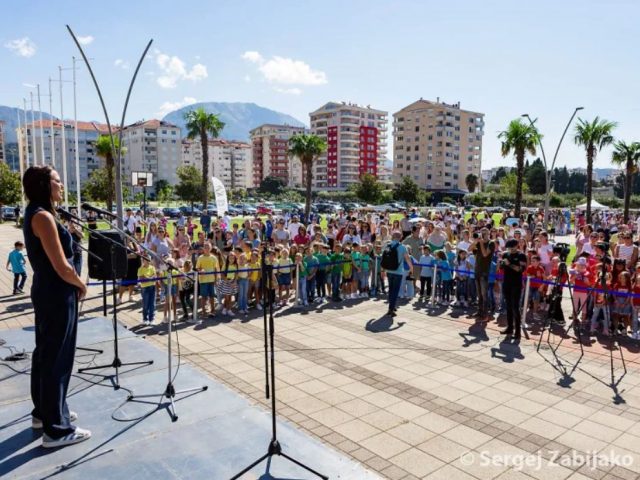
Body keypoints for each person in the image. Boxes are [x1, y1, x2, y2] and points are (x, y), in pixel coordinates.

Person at [22, 165, 90, 448]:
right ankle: (57, 429)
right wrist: (81, 284)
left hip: (49, 292)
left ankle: (46, 413)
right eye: (57, 180)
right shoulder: (43, 217)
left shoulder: (41, 214)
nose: (62, 185)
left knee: (46, 354)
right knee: (57, 359)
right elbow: (61, 265)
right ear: (43, 184)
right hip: (57, 293)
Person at [500, 239, 527, 340]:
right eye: (509, 248)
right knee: (508, 306)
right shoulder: (505, 254)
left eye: (512, 247)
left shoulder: (521, 255)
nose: (510, 249)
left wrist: (509, 264)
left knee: (515, 307)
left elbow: (520, 269)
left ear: (517, 246)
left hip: (516, 284)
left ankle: (518, 332)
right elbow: (502, 267)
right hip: (506, 283)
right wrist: (502, 264)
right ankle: (510, 328)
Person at [383, 231, 413, 317]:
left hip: (389, 271)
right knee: (395, 291)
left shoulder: (387, 245)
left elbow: (384, 258)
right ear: (401, 237)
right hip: (398, 271)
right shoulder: (403, 247)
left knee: (391, 289)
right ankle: (391, 309)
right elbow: (407, 259)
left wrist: (383, 270)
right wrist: (411, 268)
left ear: (392, 236)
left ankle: (391, 306)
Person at [138, 256, 157, 325]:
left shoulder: (152, 267)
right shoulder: (140, 269)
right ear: (143, 261)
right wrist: (150, 277)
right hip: (145, 288)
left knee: (152, 304)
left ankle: (151, 319)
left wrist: (147, 277)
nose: (147, 261)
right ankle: (145, 319)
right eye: (145, 260)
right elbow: (142, 280)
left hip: (152, 287)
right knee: (145, 304)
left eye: (148, 260)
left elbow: (155, 277)